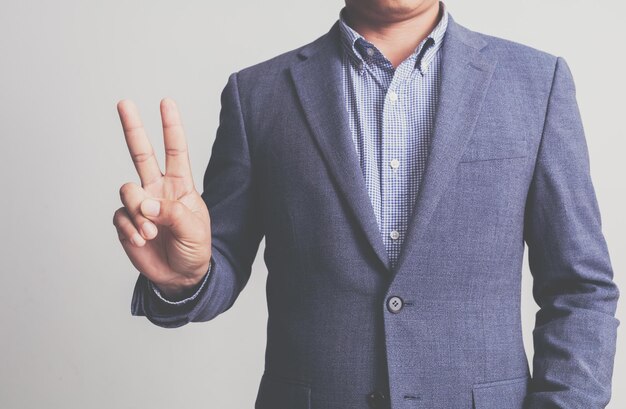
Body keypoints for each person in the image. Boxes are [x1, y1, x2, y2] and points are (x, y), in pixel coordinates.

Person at [112, 1, 620, 407]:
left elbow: (580, 288)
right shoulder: (258, 95)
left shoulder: (535, 83)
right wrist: (183, 278)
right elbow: (216, 265)